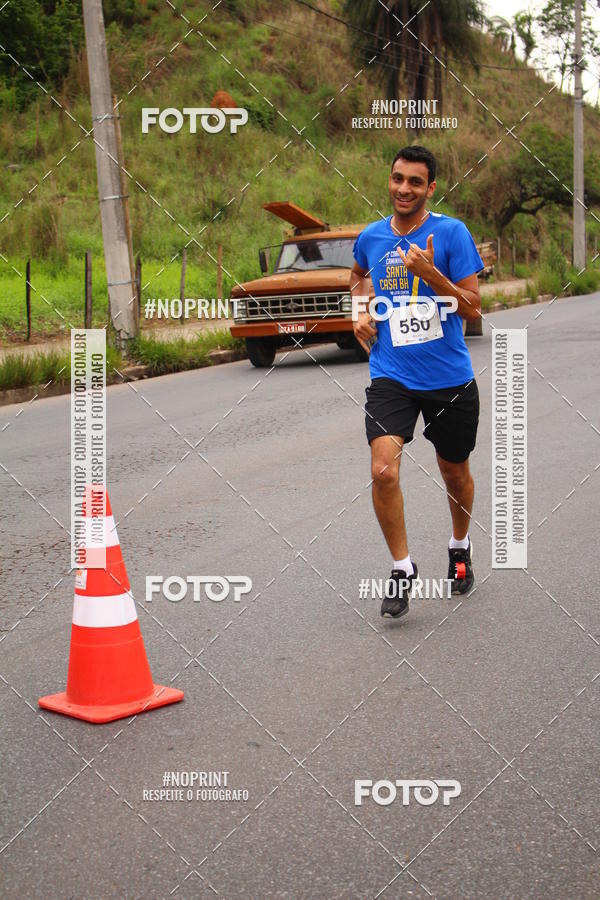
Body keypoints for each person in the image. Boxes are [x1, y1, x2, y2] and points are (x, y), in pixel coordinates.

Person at [350, 145, 483, 619]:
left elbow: (473, 307)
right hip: (391, 374)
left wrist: (432, 275)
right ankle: (403, 568)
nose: (403, 188)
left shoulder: (451, 233)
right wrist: (359, 312)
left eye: (414, 182)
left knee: (455, 472)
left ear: (430, 188)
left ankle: (460, 544)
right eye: (397, 178)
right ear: (389, 180)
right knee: (382, 468)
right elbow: (356, 277)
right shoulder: (370, 237)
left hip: (449, 377)